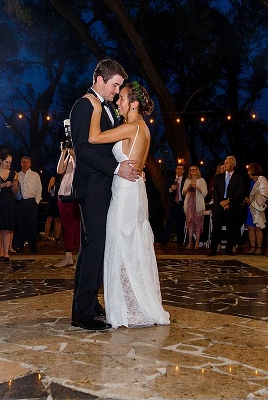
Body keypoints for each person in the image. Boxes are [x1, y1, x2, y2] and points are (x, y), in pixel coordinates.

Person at [84, 81, 170, 329]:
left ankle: (125, 310)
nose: (117, 102)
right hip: (136, 192)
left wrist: (96, 109)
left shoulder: (131, 127)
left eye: (121, 98)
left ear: (133, 104)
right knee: (133, 247)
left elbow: (93, 137)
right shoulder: (143, 128)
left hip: (125, 196)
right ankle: (136, 305)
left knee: (119, 245)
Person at [69, 58, 139, 331]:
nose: (116, 90)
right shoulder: (83, 105)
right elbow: (83, 149)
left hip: (106, 187)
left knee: (101, 246)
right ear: (100, 79)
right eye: (115, 84)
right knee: (93, 246)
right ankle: (81, 312)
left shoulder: (107, 108)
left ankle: (91, 302)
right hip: (92, 188)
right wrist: (116, 169)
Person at [206, 156, 246, 256]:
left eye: (227, 163)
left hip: (231, 207)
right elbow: (215, 191)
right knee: (216, 229)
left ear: (232, 165)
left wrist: (228, 201)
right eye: (224, 163)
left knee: (231, 228)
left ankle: (229, 249)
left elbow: (239, 193)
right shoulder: (218, 177)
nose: (224, 165)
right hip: (219, 206)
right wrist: (221, 202)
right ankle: (213, 249)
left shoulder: (239, 178)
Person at [52, 144, 80, 268]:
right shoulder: (69, 155)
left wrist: (73, 153)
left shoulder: (79, 152)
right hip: (63, 193)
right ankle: (68, 256)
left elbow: (78, 167)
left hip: (74, 194)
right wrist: (63, 152)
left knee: (77, 226)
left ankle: (79, 256)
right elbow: (59, 170)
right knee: (67, 226)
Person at [14, 156, 42, 253]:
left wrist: (37, 201)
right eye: (24, 162)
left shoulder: (35, 175)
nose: (25, 164)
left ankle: (33, 245)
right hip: (20, 202)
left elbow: (39, 189)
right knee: (20, 224)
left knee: (32, 225)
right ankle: (20, 245)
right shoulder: (17, 175)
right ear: (21, 163)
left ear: (30, 164)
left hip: (31, 202)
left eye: (27, 162)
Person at [0, 150, 16, 261]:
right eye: (6, 162)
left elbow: (15, 191)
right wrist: (3, 185)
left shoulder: (13, 172)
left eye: (10, 162)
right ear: (0, 160)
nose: (8, 164)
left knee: (7, 228)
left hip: (8, 200)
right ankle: (0, 249)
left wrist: (15, 185)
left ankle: (6, 252)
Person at [245, 163, 268, 255]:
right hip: (250, 208)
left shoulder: (262, 180)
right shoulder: (251, 182)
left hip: (258, 207)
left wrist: (251, 201)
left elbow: (264, 194)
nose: (248, 172)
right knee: (251, 227)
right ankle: (252, 247)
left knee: (258, 227)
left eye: (249, 170)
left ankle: (259, 248)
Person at [161, 164, 186, 249]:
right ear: (175, 170)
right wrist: (171, 189)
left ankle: (180, 244)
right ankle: (164, 243)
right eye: (178, 169)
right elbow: (165, 191)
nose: (180, 170)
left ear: (183, 171)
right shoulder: (171, 179)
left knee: (181, 224)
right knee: (168, 223)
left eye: (181, 169)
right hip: (172, 204)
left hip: (182, 204)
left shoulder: (186, 180)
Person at [182, 165, 207, 250]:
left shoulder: (201, 180)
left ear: (197, 171)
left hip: (198, 204)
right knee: (190, 223)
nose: (192, 171)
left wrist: (196, 187)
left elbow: (204, 193)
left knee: (198, 223)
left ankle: (197, 242)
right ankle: (190, 242)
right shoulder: (187, 180)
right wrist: (188, 188)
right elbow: (183, 192)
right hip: (189, 203)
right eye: (190, 170)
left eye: (194, 169)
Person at [43, 172, 62, 244]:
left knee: (58, 219)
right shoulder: (54, 178)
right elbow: (49, 189)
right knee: (49, 218)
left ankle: (57, 238)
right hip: (53, 199)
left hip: (60, 200)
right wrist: (53, 187)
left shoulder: (65, 178)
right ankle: (46, 237)